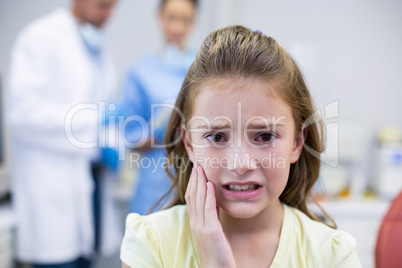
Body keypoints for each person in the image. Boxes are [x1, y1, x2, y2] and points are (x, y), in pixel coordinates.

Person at [120, 25, 362, 267]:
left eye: (265, 137)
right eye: (217, 137)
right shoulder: (151, 244)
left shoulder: (332, 256)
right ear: (189, 142)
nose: (240, 163)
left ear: (297, 143)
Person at [7, 0, 118, 267]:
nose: (108, 14)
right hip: (52, 192)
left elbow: (102, 107)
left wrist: (111, 141)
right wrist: (95, 120)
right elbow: (22, 114)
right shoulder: (39, 38)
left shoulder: (95, 49)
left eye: (114, 6)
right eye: (103, 5)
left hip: (91, 182)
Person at [120, 0, 197, 215]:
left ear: (194, 22)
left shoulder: (203, 68)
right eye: (171, 18)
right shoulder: (140, 71)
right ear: (160, 17)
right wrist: (162, 131)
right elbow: (131, 136)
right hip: (153, 178)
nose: (177, 27)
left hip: (194, 174)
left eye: (185, 20)